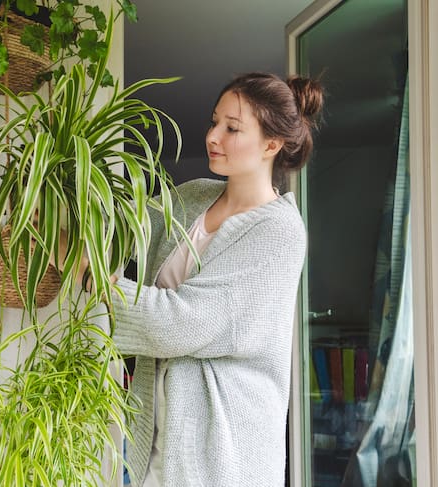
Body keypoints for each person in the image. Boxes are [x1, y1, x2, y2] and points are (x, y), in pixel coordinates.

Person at [112, 72, 324, 487]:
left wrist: (94, 282)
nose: (213, 136)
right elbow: (119, 228)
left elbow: (180, 323)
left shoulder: (278, 232)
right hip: (157, 441)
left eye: (232, 128)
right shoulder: (193, 196)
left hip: (223, 457)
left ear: (271, 144)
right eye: (214, 122)